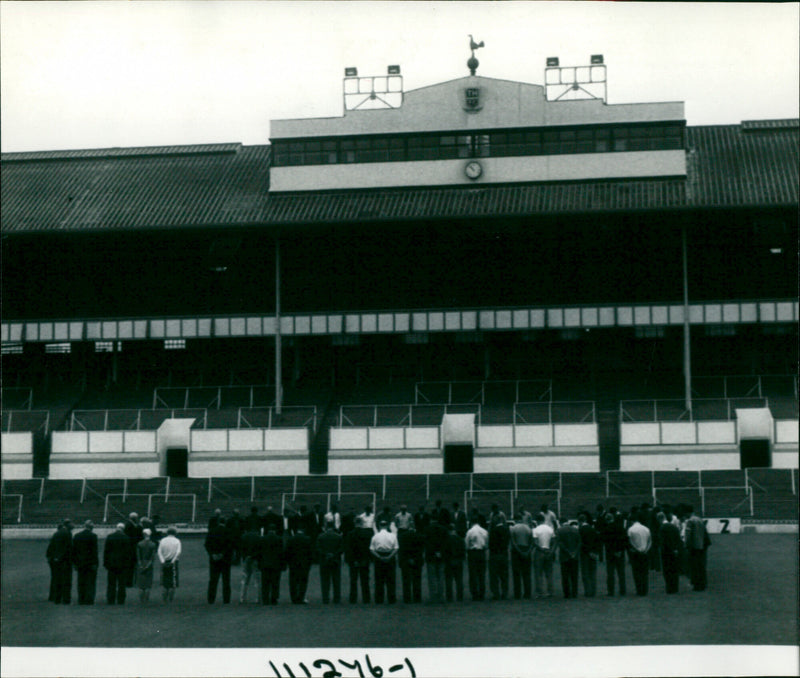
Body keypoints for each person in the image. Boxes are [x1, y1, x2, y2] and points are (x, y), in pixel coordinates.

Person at [205, 517, 234, 604]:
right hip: (225, 559)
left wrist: (212, 554)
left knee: (213, 580)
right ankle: (226, 599)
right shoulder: (228, 531)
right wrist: (223, 554)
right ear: (225, 522)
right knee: (226, 580)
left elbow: (207, 544)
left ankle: (211, 599)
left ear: (218, 522)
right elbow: (230, 545)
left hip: (214, 559)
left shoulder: (212, 531)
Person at [345, 516, 373, 603]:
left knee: (353, 581)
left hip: (354, 561)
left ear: (354, 523)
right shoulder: (367, 534)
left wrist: (352, 560)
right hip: (364, 560)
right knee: (365, 580)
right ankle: (366, 598)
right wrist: (366, 560)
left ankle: (353, 599)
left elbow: (348, 549)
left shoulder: (350, 534)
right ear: (361, 523)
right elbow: (368, 549)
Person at [370, 520, 398, 604]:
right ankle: (391, 598)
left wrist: (379, 557)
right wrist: (389, 557)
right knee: (391, 579)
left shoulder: (376, 536)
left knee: (379, 579)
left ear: (379, 525)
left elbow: (371, 549)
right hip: (390, 556)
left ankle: (379, 599)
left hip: (379, 557)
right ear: (387, 526)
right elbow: (396, 548)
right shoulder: (392, 536)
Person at [315, 519, 344, 604]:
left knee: (325, 581)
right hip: (336, 561)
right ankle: (337, 598)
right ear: (333, 526)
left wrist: (326, 554)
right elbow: (341, 548)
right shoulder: (338, 536)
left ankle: (325, 598)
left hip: (324, 560)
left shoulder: (321, 536)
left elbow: (318, 548)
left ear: (326, 527)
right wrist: (334, 554)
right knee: (336, 580)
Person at [72, 519, 99, 605]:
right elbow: (94, 551)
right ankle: (89, 599)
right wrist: (95, 563)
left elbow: (74, 551)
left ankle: (81, 598)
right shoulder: (93, 536)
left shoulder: (77, 536)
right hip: (90, 563)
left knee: (81, 581)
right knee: (90, 582)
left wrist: (75, 563)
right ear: (91, 527)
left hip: (80, 562)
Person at [684, 505, 711, 591]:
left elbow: (688, 536)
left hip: (694, 547)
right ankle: (703, 584)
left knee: (695, 567)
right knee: (701, 566)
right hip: (702, 546)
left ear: (688, 512)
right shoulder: (699, 519)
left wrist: (687, 545)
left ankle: (697, 585)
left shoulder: (690, 521)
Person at [46, 519, 73, 604]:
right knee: (66, 580)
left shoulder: (57, 533)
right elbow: (68, 548)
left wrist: (51, 557)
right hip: (65, 560)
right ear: (68, 524)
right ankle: (66, 599)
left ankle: (56, 598)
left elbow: (51, 546)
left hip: (55, 559)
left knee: (56, 579)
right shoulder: (68, 534)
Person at [258, 524, 285, 605]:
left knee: (265, 582)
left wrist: (260, 563)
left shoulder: (263, 539)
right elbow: (281, 553)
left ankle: (265, 598)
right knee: (275, 583)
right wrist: (283, 564)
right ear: (275, 530)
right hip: (276, 564)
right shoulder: (279, 539)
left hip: (265, 564)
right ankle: (274, 598)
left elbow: (260, 552)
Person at [104, 523, 130, 604]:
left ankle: (110, 599)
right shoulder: (126, 537)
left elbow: (106, 551)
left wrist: (106, 563)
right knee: (121, 583)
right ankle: (121, 600)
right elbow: (128, 553)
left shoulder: (110, 537)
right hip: (122, 564)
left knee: (111, 583)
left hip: (111, 563)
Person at [398, 523, 424, 603]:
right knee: (417, 579)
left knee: (406, 580)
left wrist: (407, 558)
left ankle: (407, 598)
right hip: (417, 560)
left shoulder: (402, 536)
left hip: (405, 560)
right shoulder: (420, 536)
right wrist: (415, 558)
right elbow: (421, 550)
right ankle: (417, 598)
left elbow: (401, 549)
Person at [424, 515, 449, 603]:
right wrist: (440, 552)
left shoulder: (427, 529)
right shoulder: (444, 529)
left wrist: (434, 551)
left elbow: (427, 543)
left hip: (431, 556)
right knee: (441, 576)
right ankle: (441, 596)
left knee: (432, 577)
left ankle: (433, 596)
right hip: (442, 556)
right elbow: (446, 543)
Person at [286, 526, 313, 604]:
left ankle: (293, 598)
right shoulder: (307, 539)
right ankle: (301, 597)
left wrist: (288, 562)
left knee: (293, 581)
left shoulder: (291, 539)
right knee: (303, 581)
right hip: (304, 563)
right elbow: (310, 552)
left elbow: (287, 552)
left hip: (293, 563)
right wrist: (309, 563)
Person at [627, 511, 652, 596]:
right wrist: (646, 549)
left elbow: (630, 542)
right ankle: (645, 590)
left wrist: (637, 549)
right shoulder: (646, 529)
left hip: (636, 553)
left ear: (631, 521)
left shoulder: (630, 529)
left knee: (637, 572)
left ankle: (639, 590)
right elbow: (650, 541)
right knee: (645, 572)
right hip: (645, 552)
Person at [509, 513, 533, 600]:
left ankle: (517, 593)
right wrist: (527, 551)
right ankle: (527, 593)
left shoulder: (513, 528)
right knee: (526, 573)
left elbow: (513, 542)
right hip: (526, 549)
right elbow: (531, 542)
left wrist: (519, 551)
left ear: (515, 520)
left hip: (516, 551)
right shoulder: (528, 528)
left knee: (516, 574)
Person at [464, 515, 488, 601]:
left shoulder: (470, 531)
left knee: (473, 574)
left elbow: (466, 544)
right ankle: (482, 593)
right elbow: (486, 544)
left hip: (473, 553)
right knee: (481, 574)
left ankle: (474, 594)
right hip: (481, 552)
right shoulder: (484, 531)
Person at [658, 511, 682, 594]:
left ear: (660, 519)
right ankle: (675, 587)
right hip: (675, 551)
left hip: (666, 553)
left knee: (667, 571)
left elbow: (663, 542)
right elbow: (678, 539)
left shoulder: (662, 528)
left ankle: (670, 588)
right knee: (674, 570)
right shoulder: (673, 527)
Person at [532, 512, 556, 597]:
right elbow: (553, 542)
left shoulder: (535, 529)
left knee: (538, 573)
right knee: (549, 573)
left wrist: (541, 549)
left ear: (537, 521)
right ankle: (550, 591)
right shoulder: (550, 529)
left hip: (539, 552)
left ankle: (540, 592)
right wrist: (551, 551)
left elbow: (535, 543)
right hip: (548, 551)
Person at [578, 512, 601, 597]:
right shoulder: (592, 529)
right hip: (593, 553)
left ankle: (588, 591)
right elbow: (598, 541)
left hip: (585, 553)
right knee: (592, 573)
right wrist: (595, 552)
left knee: (585, 573)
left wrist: (588, 551)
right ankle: (593, 591)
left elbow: (581, 543)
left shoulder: (581, 530)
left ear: (579, 521)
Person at [487, 516, 510, 600]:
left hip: (495, 555)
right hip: (504, 554)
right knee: (504, 575)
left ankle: (496, 593)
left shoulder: (493, 531)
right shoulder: (506, 530)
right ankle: (505, 593)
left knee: (494, 576)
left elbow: (490, 544)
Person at [556, 518, 580, 599]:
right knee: (574, 576)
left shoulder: (559, 530)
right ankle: (575, 592)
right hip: (575, 556)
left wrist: (568, 552)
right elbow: (579, 542)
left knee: (565, 576)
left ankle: (566, 593)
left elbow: (560, 543)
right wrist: (575, 552)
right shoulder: (576, 530)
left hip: (564, 556)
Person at [157, 526, 181, 602]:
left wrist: (162, 561)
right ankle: (170, 599)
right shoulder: (177, 541)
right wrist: (173, 561)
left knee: (164, 581)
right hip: (173, 562)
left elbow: (159, 551)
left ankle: (164, 599)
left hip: (164, 561)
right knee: (172, 582)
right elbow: (178, 552)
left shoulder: (163, 540)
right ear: (175, 533)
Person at [239, 524, 262, 603]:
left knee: (244, 580)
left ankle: (242, 598)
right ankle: (258, 598)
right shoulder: (258, 537)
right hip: (255, 560)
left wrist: (245, 557)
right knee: (257, 581)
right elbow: (260, 550)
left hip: (246, 560)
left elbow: (241, 549)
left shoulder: (243, 537)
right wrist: (253, 556)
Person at [444, 522, 466, 602]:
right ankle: (460, 596)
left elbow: (444, 552)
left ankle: (449, 597)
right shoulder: (460, 539)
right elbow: (463, 551)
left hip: (449, 561)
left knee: (449, 580)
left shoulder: (446, 540)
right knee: (459, 580)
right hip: (458, 561)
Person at [136, 528, 157, 604]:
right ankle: (146, 600)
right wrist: (148, 565)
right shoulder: (153, 544)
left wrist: (140, 565)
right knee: (148, 584)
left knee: (141, 585)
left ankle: (141, 601)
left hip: (141, 563)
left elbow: (138, 556)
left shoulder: (139, 544)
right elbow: (152, 557)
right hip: (149, 563)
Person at [123, 512, 143, 588]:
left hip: (131, 548)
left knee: (132, 566)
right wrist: (139, 527)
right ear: (134, 518)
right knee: (131, 566)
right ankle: (129, 582)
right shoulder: (129, 525)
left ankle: (131, 581)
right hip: (131, 549)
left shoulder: (129, 524)